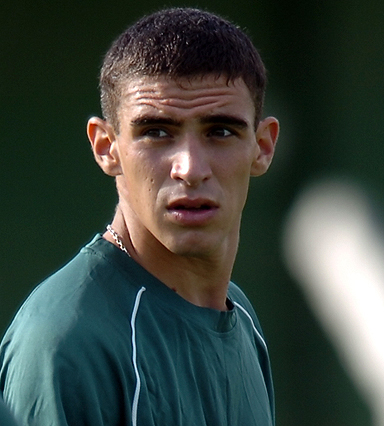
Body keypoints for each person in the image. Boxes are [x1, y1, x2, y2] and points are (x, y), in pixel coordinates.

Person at [0, 7, 279, 426]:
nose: (189, 168)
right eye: (156, 132)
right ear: (106, 147)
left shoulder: (242, 319)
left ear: (263, 147)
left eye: (220, 131)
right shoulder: (65, 343)